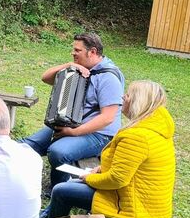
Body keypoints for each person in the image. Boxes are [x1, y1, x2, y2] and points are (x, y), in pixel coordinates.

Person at [39, 80, 175, 218]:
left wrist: (90, 178)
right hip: (144, 200)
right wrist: (99, 170)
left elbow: (117, 179)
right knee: (70, 186)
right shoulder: (154, 130)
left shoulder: (136, 137)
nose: (123, 97)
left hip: (131, 205)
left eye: (128, 94)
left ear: (138, 102)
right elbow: (126, 167)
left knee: (61, 191)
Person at [22, 32, 124, 188]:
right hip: (71, 124)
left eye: (77, 50)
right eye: (73, 49)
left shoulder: (109, 77)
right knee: (26, 146)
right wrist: (68, 66)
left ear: (93, 52)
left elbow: (107, 118)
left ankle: (62, 189)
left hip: (99, 135)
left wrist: (73, 133)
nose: (73, 53)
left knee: (58, 152)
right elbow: (46, 78)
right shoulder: (78, 69)